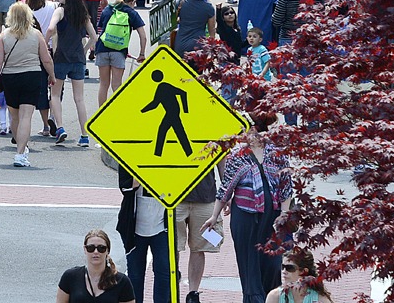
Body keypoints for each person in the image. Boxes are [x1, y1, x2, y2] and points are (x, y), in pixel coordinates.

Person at [204, 120, 293, 303]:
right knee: (250, 268)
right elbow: (225, 189)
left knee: (273, 266)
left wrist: (284, 216)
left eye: (258, 130)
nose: (253, 135)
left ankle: (272, 298)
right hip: (245, 218)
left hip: (273, 218)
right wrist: (214, 216)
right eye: (250, 130)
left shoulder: (277, 153)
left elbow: (286, 187)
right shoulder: (238, 155)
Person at [0, 2, 55, 167]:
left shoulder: (4, 36)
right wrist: (52, 76)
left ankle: (21, 147)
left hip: (11, 77)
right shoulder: (36, 34)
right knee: (27, 116)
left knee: (15, 115)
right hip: (32, 75)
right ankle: (20, 153)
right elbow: (46, 59)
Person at [46, 0, 97, 147]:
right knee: (79, 98)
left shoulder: (60, 11)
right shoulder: (83, 14)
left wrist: (44, 42)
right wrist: (84, 49)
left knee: (55, 94)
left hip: (61, 57)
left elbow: (51, 28)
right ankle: (84, 135)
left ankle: (60, 127)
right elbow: (94, 37)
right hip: (78, 59)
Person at [118, 163, 171, 303]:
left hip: (163, 226)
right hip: (134, 228)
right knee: (135, 275)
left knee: (164, 273)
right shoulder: (128, 156)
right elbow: (125, 186)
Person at [176, 166, 223, 303]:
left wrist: (227, 193)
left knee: (200, 247)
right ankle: (171, 282)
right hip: (174, 197)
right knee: (172, 247)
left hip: (205, 197)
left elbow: (221, 159)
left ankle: (193, 294)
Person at [56, 229, 137, 303]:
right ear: (85, 249)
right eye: (90, 248)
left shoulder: (122, 282)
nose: (96, 252)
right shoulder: (70, 277)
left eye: (101, 248)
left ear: (107, 251)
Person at [95, 0, 147, 106]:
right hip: (119, 52)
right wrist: (142, 53)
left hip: (102, 49)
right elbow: (143, 36)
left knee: (103, 84)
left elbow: (100, 28)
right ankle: (117, 112)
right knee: (117, 85)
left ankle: (101, 114)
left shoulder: (109, 9)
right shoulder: (132, 13)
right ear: (133, 1)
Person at [266, 248, 334, 303]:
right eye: (282, 267)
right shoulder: (275, 297)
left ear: (304, 271)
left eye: (290, 268)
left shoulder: (320, 299)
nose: (284, 271)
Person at [175, 0, 216, 64]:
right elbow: (212, 31)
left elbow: (174, 21)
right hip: (199, 46)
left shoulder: (181, 3)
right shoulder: (209, 8)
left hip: (180, 43)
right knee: (196, 74)